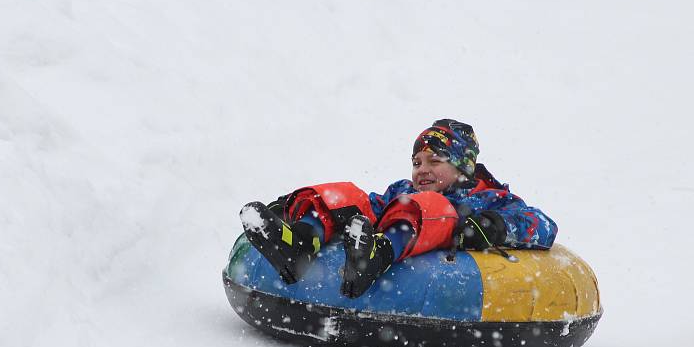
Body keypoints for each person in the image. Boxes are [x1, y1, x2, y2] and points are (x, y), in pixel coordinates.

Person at [239, 119, 557, 298]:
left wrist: (493, 226)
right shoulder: (403, 190)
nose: (422, 169)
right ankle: (300, 242)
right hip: (388, 221)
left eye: (435, 161)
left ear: (464, 167)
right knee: (349, 195)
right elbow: (368, 206)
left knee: (427, 206)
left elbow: (541, 224)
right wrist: (309, 205)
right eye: (417, 162)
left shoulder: (487, 199)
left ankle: (377, 255)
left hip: (436, 246)